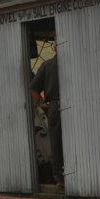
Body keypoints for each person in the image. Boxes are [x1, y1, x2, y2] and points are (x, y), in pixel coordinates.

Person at [30, 54, 63, 186]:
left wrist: (45, 105)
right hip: (71, 104)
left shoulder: (47, 65)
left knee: (56, 141)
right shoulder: (75, 62)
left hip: (55, 106)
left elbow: (34, 90)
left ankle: (60, 177)